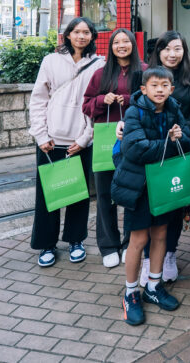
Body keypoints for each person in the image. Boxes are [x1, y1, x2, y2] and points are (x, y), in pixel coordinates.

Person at [113, 67, 190, 325]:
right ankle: (130, 293)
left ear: (172, 89)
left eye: (165, 85)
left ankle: (153, 286)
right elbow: (134, 149)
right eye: (154, 85)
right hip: (139, 187)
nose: (160, 90)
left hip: (163, 184)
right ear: (143, 89)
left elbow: (189, 141)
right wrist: (169, 143)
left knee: (161, 235)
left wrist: (181, 137)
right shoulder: (134, 111)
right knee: (138, 239)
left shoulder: (174, 109)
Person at [29, 17, 104, 268]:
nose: (81, 36)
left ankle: (75, 240)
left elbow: (97, 107)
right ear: (68, 35)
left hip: (79, 141)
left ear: (92, 36)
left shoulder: (99, 64)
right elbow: (38, 99)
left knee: (78, 195)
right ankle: (46, 245)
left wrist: (85, 138)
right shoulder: (51, 61)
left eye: (86, 32)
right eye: (77, 32)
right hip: (50, 140)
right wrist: (41, 135)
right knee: (47, 196)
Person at [145, 31, 190, 283]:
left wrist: (181, 129)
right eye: (167, 49)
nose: (172, 54)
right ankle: (148, 258)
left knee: (174, 204)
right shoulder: (147, 74)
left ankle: (170, 254)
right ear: (158, 51)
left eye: (177, 48)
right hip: (152, 147)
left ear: (184, 51)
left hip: (180, 147)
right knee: (150, 205)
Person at [82, 28, 145, 269]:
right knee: (105, 194)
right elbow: (86, 105)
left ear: (133, 44)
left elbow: (154, 102)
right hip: (106, 141)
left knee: (133, 193)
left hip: (135, 139)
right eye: (116, 42)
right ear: (111, 46)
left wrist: (128, 100)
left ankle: (131, 242)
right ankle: (108, 245)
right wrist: (102, 100)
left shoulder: (144, 71)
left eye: (125, 41)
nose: (121, 45)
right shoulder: (101, 73)